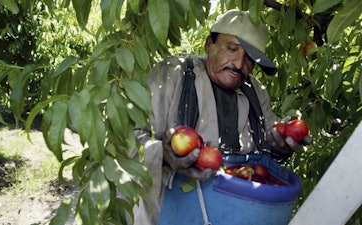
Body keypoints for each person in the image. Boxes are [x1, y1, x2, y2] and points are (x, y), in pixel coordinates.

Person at [131, 9, 311, 225]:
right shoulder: (171, 75)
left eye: (249, 59)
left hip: (231, 214)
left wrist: (280, 147)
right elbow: (127, 138)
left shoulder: (256, 92)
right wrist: (163, 154)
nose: (238, 64)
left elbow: (266, 150)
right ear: (209, 45)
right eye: (232, 49)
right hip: (170, 213)